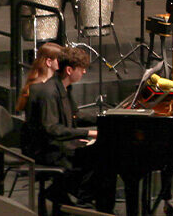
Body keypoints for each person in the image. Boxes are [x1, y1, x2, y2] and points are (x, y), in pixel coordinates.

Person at [21, 46, 113, 212]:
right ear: (69, 70)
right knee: (98, 157)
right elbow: (52, 129)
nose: (84, 72)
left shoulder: (64, 87)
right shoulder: (49, 92)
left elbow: (75, 115)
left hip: (59, 143)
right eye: (82, 69)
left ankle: (79, 198)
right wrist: (88, 133)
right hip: (47, 150)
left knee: (103, 155)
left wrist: (106, 118)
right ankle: (81, 202)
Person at [16, 42, 64, 112]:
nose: (62, 62)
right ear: (49, 62)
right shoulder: (41, 88)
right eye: (59, 59)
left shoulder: (50, 82)